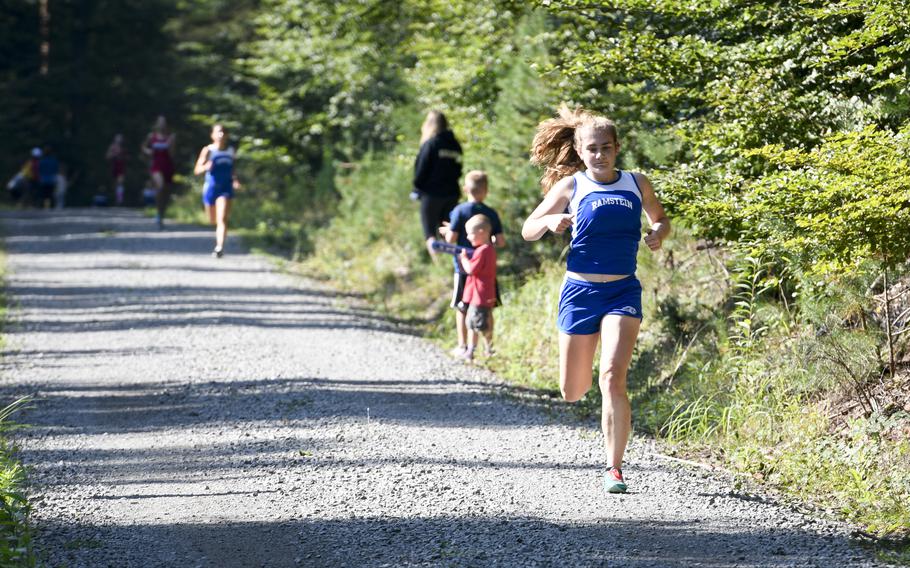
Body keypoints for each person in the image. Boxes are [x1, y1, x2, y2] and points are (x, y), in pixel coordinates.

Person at [521, 105, 670, 494]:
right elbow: (527, 229)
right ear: (580, 150)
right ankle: (579, 385)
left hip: (622, 290)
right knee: (573, 390)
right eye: (592, 149)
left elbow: (660, 218)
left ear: (617, 147)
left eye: (606, 147)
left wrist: (657, 233)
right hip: (580, 292)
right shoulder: (571, 186)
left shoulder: (637, 183)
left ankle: (614, 468)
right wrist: (550, 222)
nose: (599, 155)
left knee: (612, 378)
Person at [440, 170, 505, 356]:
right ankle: (489, 347)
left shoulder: (459, 211)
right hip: (487, 271)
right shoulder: (491, 213)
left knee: (462, 307)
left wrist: (447, 232)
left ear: (465, 188)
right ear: (486, 190)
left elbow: (451, 239)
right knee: (488, 306)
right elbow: (500, 242)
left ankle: (463, 346)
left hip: (462, 268)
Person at [413, 110, 462, 258]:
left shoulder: (431, 144)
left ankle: (439, 266)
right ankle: (452, 263)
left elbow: (421, 169)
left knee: (430, 234)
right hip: (452, 193)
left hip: (431, 194)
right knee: (447, 230)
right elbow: (458, 169)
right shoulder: (455, 145)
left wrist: (417, 188)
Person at [457, 214, 499, 360]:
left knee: (474, 323)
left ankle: (473, 351)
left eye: (470, 234)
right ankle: (486, 349)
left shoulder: (483, 251)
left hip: (479, 294)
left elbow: (470, 269)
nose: (468, 237)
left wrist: (464, 259)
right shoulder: (489, 249)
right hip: (483, 293)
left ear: (482, 232)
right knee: (480, 322)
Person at [194, 124, 239, 258]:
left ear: (227, 135)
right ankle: (218, 238)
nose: (221, 135)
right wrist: (205, 167)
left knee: (222, 218)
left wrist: (236, 180)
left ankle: (219, 247)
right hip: (211, 188)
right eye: (218, 132)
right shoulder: (208, 150)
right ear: (212, 135)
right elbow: (197, 170)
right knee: (213, 220)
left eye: (224, 132)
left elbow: (233, 169)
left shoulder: (231, 150)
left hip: (226, 187)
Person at [142, 115, 176, 228]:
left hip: (167, 166)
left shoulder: (170, 137)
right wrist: (149, 151)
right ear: (156, 124)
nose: (162, 124)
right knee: (160, 186)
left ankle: (161, 214)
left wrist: (171, 144)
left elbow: (172, 154)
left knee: (166, 192)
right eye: (160, 122)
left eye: (164, 122)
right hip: (156, 165)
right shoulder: (151, 136)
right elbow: (143, 147)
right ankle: (157, 211)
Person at [106, 134, 126, 205]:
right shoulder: (112, 147)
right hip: (114, 167)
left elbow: (126, 157)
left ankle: (119, 199)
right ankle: (116, 198)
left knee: (120, 182)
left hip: (121, 167)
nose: (119, 140)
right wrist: (114, 155)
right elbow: (107, 156)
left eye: (120, 138)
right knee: (115, 184)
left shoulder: (123, 147)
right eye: (118, 138)